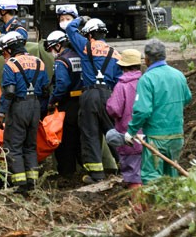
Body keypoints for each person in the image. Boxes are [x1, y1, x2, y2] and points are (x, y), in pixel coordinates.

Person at [125, 39, 192, 184]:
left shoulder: (147, 79)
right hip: (177, 135)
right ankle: (173, 206)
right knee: (172, 176)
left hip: (156, 137)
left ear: (147, 59)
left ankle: (156, 207)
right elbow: (187, 98)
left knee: (152, 178)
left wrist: (131, 131)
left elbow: (142, 111)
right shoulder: (178, 75)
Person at [65, 17, 122, 183]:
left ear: (89, 35)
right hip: (109, 95)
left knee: (90, 133)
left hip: (90, 95)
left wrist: (81, 19)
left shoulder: (85, 46)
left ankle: (96, 175)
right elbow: (119, 80)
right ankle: (126, 166)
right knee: (112, 131)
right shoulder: (115, 53)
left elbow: (70, 28)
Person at [0, 31, 49, 193]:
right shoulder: (39, 62)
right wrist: (42, 112)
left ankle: (19, 184)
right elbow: (46, 90)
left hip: (18, 107)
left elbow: (9, 91)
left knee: (14, 146)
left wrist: (2, 113)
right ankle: (33, 182)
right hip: (35, 106)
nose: (4, 55)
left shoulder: (11, 65)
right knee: (30, 146)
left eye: (4, 51)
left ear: (10, 49)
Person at [44, 30, 83, 178]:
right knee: (81, 138)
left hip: (67, 104)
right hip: (82, 101)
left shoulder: (61, 61)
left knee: (66, 140)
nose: (52, 52)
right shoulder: (79, 56)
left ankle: (67, 172)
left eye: (52, 49)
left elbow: (62, 84)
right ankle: (84, 169)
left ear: (59, 45)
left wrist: (52, 101)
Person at [105, 49, 143, 188]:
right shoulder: (146, 82)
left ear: (122, 67)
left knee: (133, 176)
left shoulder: (122, 85)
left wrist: (109, 102)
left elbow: (114, 109)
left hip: (129, 136)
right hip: (149, 137)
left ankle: (139, 208)